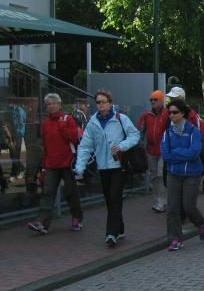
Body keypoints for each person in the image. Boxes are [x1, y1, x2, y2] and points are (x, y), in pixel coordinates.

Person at [74, 89, 140, 248]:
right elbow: (85, 146)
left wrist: (121, 146)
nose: (101, 105)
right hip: (103, 167)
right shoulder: (93, 123)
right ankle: (120, 228)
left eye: (103, 102)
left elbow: (135, 135)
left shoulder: (120, 119)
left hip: (118, 165)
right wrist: (80, 167)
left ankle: (111, 233)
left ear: (110, 103)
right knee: (109, 200)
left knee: (115, 197)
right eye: (98, 102)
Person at [26, 93, 82, 235]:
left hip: (67, 163)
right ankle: (42, 223)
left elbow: (74, 138)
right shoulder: (45, 124)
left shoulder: (68, 119)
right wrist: (44, 167)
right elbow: (45, 146)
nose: (51, 106)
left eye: (53, 103)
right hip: (51, 164)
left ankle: (76, 218)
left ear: (59, 104)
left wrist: (62, 127)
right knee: (47, 193)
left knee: (71, 192)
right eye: (48, 104)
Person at [161, 99, 204, 251]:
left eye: (174, 112)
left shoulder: (193, 131)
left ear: (182, 113)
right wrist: (181, 154)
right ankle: (175, 238)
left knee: (188, 206)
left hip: (191, 174)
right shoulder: (167, 133)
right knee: (172, 207)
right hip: (173, 174)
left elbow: (194, 152)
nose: (171, 115)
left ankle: (201, 223)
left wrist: (175, 152)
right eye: (169, 113)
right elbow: (165, 155)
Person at [136, 90, 169, 213]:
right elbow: (139, 130)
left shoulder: (167, 114)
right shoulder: (146, 115)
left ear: (161, 100)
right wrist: (138, 143)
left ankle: (162, 201)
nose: (153, 102)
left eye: (156, 99)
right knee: (154, 176)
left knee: (161, 175)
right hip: (150, 150)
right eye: (151, 100)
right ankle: (158, 199)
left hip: (163, 150)